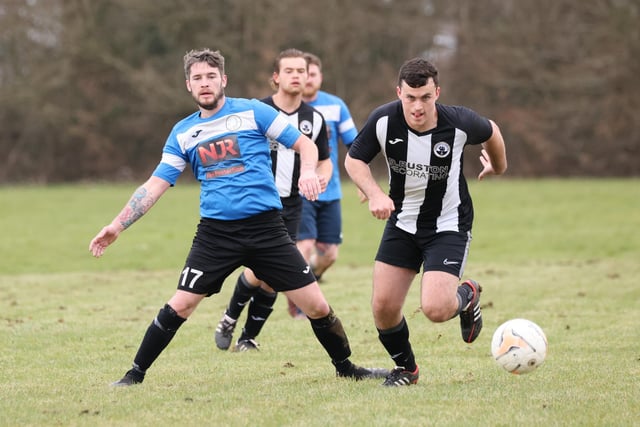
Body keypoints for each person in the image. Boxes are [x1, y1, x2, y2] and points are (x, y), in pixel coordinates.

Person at [89, 48, 389, 386]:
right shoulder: (183, 133)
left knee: (317, 306)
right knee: (182, 304)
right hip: (216, 236)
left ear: (223, 80)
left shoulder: (253, 111)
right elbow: (155, 185)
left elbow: (306, 145)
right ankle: (134, 375)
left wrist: (307, 172)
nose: (205, 83)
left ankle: (346, 368)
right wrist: (117, 225)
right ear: (188, 85)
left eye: (211, 76)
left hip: (267, 230)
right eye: (198, 78)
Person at [344, 57, 507, 387]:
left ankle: (468, 295)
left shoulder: (459, 122)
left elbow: (492, 130)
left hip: (447, 225)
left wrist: (499, 166)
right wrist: (374, 193)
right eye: (410, 98)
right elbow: (354, 160)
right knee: (384, 307)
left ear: (437, 93)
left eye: (426, 98)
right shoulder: (383, 120)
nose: (417, 107)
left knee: (435, 309)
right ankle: (407, 369)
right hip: (402, 222)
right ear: (399, 93)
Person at [213, 48, 332, 351]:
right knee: (256, 271)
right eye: (289, 71)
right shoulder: (255, 112)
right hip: (256, 204)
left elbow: (325, 159)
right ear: (276, 77)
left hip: (291, 205)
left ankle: (247, 338)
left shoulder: (314, 119)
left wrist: (322, 176)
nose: (296, 76)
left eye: (301, 71)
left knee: (271, 277)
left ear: (308, 77)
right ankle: (229, 317)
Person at [288, 52, 358, 317]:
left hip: (331, 189)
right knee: (305, 245)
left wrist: (363, 184)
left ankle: (306, 283)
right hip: (299, 191)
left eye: (312, 74)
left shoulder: (335, 106)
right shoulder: (286, 109)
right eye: (302, 73)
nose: (307, 79)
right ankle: (300, 301)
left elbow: (355, 145)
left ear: (318, 76)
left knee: (329, 254)